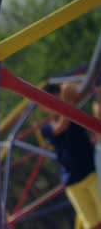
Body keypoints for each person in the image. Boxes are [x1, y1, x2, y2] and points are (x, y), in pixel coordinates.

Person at [40, 83, 101, 229]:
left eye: (51, 100)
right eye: (44, 102)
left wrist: (68, 91)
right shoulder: (47, 128)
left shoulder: (73, 112)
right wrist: (67, 102)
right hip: (72, 181)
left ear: (58, 97)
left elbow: (81, 92)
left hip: (91, 173)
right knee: (92, 224)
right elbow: (61, 127)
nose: (49, 105)